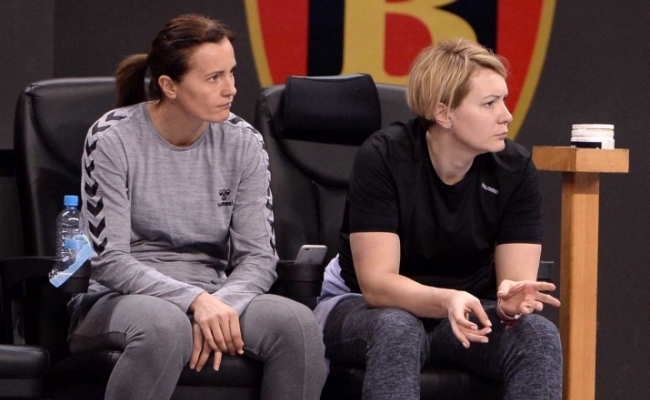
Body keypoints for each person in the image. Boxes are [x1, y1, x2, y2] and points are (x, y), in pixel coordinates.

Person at [68, 14, 327, 400]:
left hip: (215, 292)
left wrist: (218, 305)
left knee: (297, 325)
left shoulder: (244, 142)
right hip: (117, 299)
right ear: (169, 86)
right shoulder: (112, 137)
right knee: (165, 326)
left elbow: (259, 258)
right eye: (213, 78)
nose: (231, 89)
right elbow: (110, 261)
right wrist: (193, 302)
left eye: (231, 73)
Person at [314, 38, 562, 400]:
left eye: (504, 100)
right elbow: (377, 285)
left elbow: (512, 285)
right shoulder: (385, 156)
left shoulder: (514, 168)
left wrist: (509, 303)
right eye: (490, 103)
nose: (506, 115)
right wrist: (447, 299)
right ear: (443, 113)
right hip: (362, 307)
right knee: (399, 327)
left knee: (537, 335)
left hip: (461, 314)